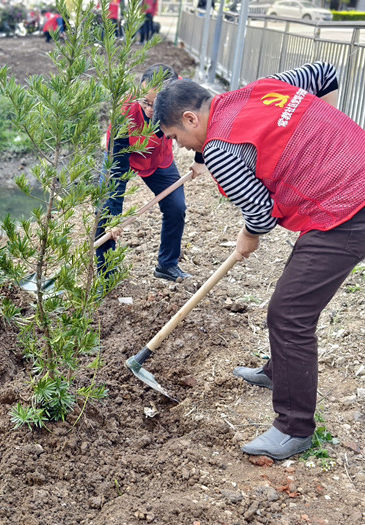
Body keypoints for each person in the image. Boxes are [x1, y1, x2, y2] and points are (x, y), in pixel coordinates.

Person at [153, 61, 364, 460]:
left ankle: (294, 427)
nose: (179, 147)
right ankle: (278, 372)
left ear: (190, 118)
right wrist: (329, 137)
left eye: (175, 137)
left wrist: (248, 235)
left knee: (289, 314)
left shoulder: (218, 150)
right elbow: (324, 72)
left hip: (348, 209)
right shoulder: (259, 88)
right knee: (294, 291)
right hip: (349, 183)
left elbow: (261, 216)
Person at [95, 64, 206, 282]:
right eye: (145, 102)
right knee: (105, 213)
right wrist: (114, 216)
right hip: (123, 156)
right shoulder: (126, 110)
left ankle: (167, 265)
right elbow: (116, 167)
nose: (148, 110)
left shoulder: (187, 94)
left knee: (176, 207)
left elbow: (204, 122)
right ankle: (105, 276)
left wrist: (200, 159)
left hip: (158, 159)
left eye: (155, 105)